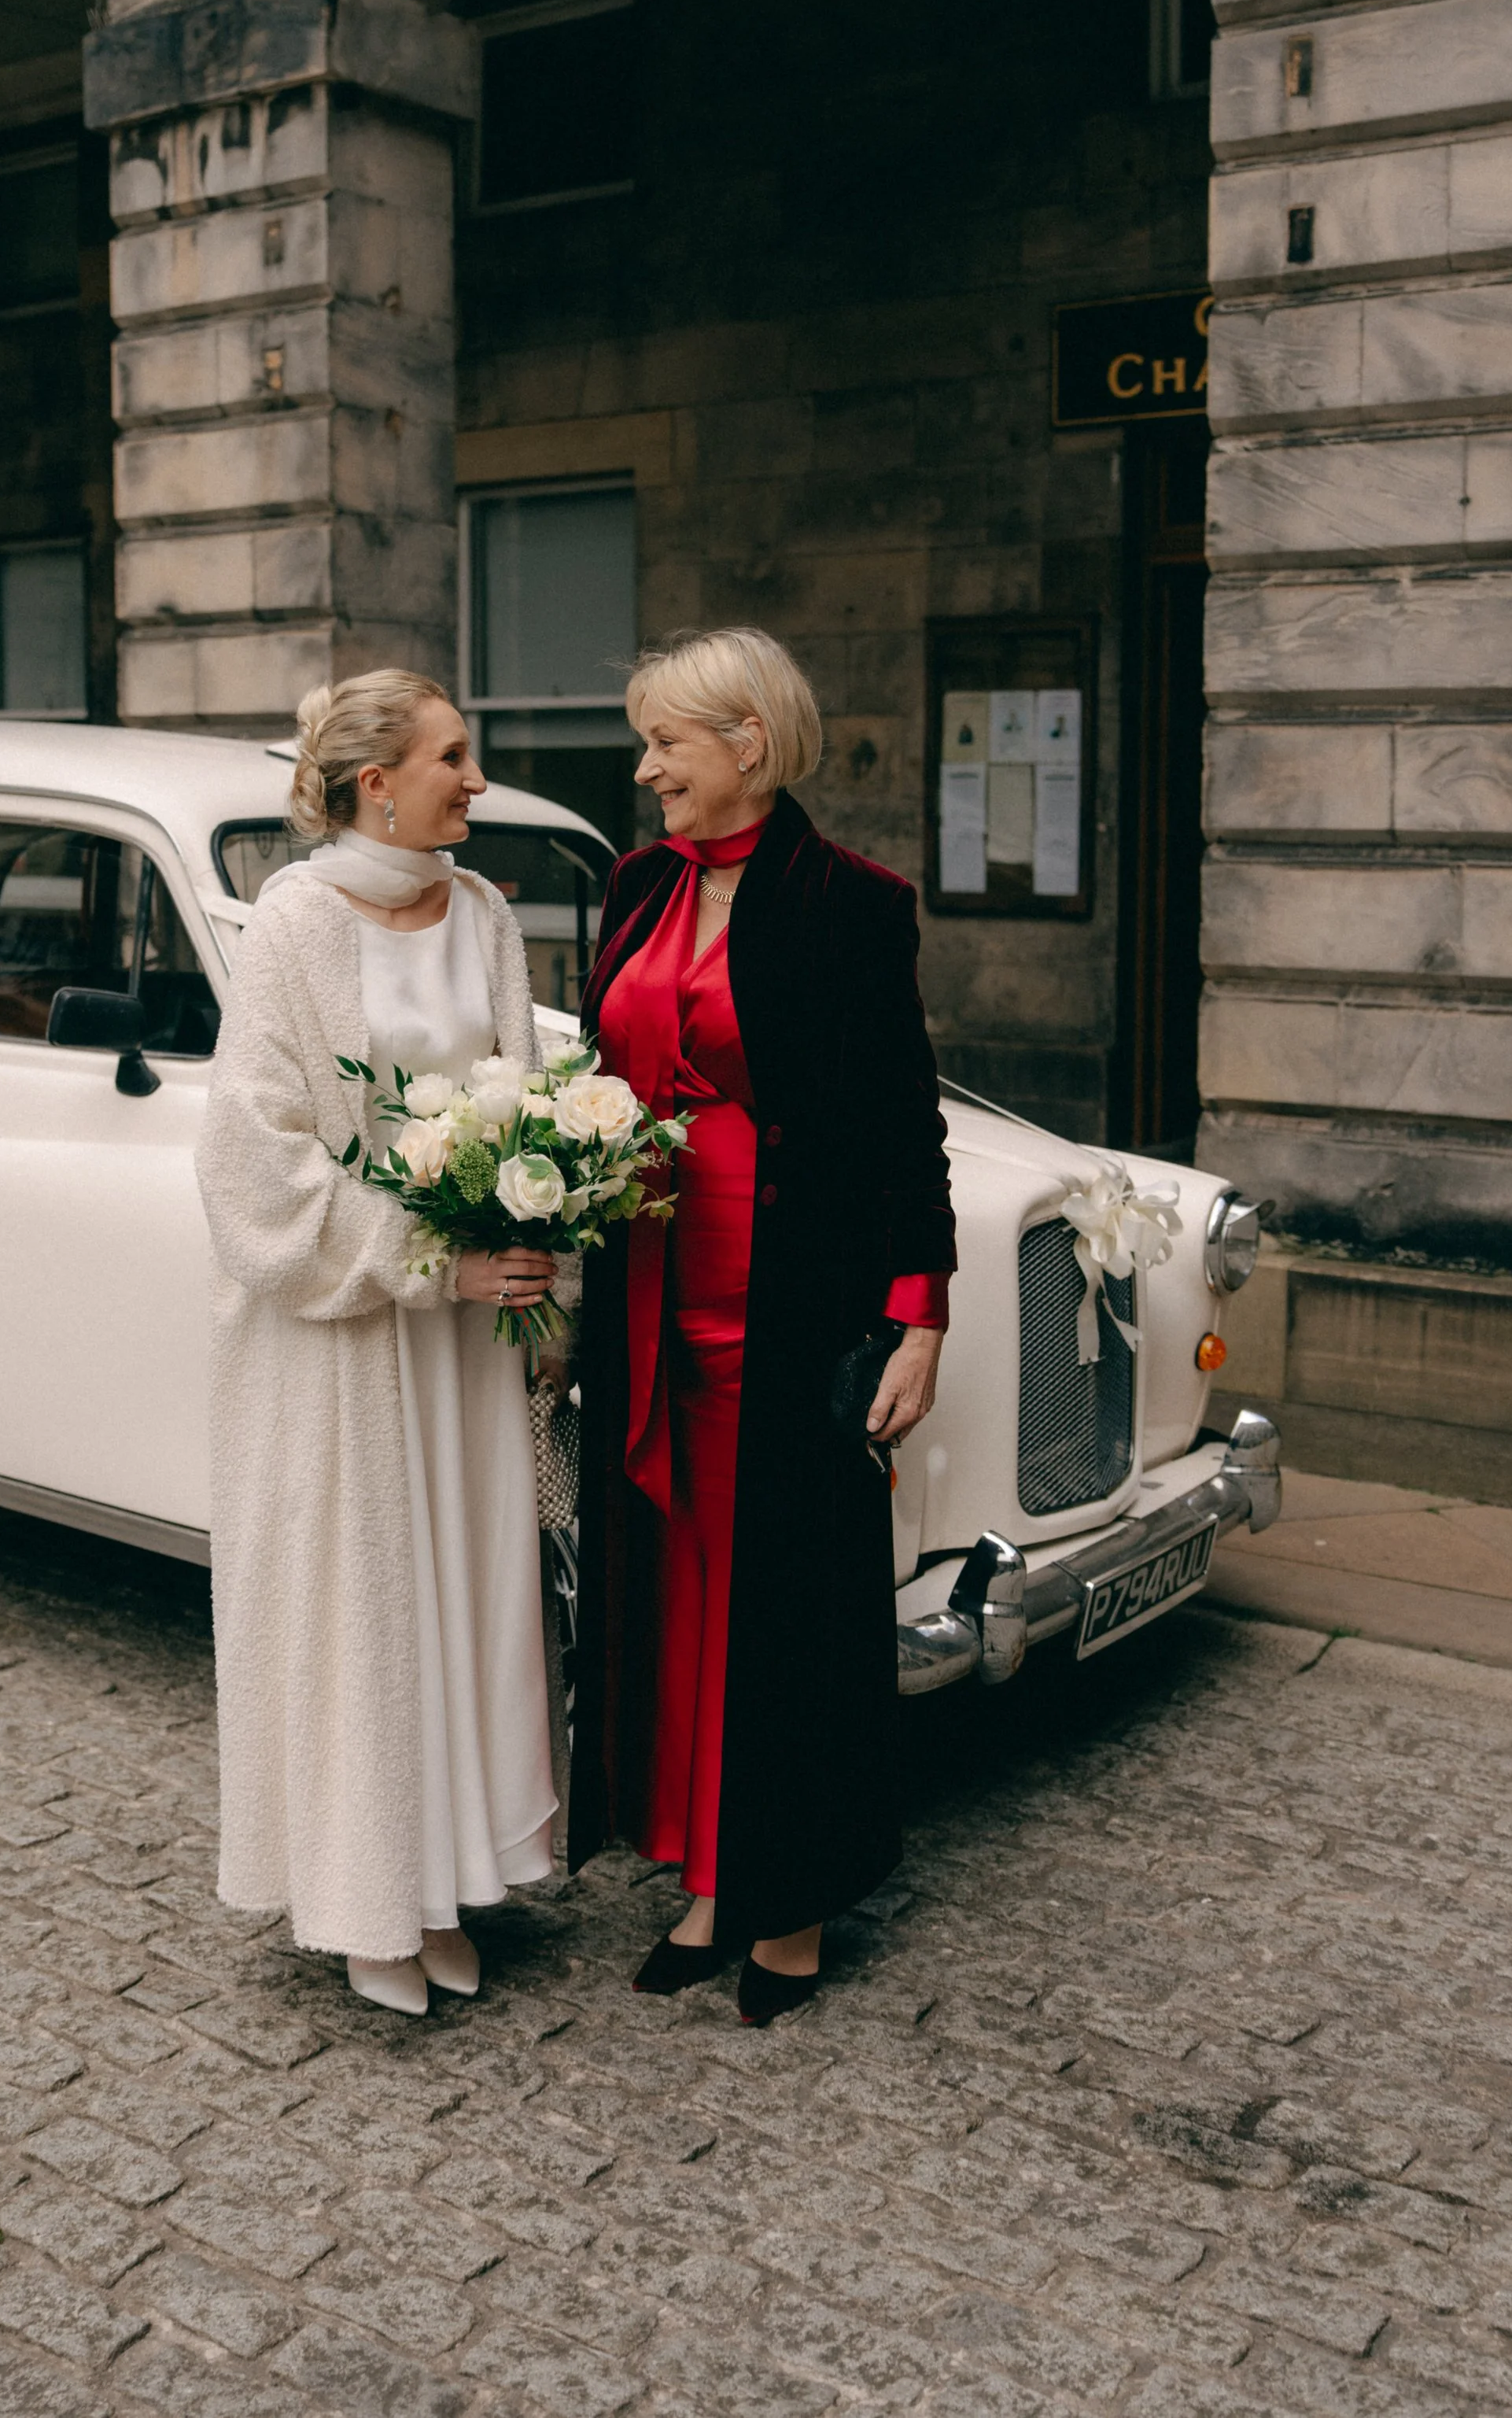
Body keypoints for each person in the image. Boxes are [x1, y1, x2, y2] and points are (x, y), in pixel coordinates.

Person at [571, 626, 954, 2025]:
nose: (646, 768)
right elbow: (598, 1080)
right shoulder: (636, 885)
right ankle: (705, 1876)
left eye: (666, 741)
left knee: (783, 1606)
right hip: (647, 1297)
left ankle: (787, 1902)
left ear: (749, 741)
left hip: (786, 1305)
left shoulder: (854, 903)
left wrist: (919, 1318)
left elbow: (907, 1123)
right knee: (675, 1590)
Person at [195, 670, 560, 2016]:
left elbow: (525, 1095)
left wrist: (541, 1235)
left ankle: (455, 1877)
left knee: (470, 1595)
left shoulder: (487, 914)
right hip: (347, 1335)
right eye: (455, 756)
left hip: (471, 1339)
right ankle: (368, 1899)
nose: (477, 780)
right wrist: (426, 1260)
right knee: (365, 1610)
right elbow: (252, 1156)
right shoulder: (291, 924)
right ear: (376, 784)